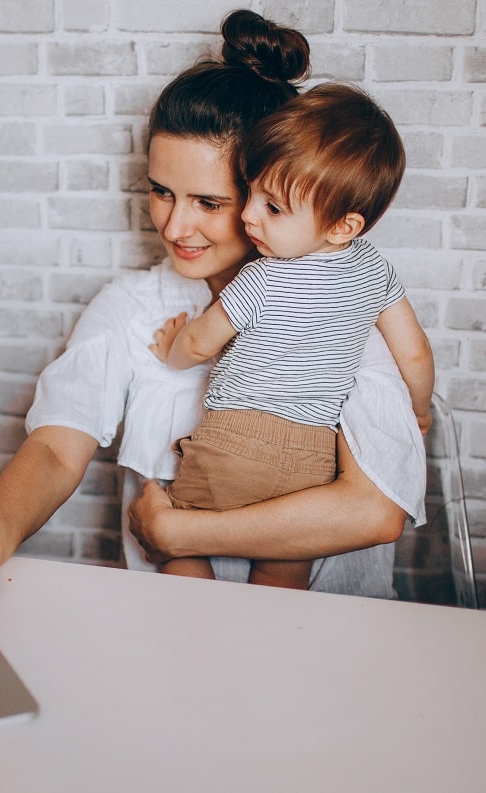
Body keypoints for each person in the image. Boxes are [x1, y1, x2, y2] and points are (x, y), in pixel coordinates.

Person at [0, 9, 427, 624]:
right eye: (161, 190)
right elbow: (58, 447)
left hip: (332, 644)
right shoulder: (134, 306)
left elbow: (375, 511)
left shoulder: (337, 315)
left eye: (208, 202)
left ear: (273, 194)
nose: (173, 225)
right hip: (171, 644)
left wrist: (180, 536)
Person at [150, 82, 434, 589]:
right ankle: (267, 654)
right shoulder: (375, 272)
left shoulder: (261, 278)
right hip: (311, 459)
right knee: (284, 570)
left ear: (344, 226)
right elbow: (413, 352)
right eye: (252, 193)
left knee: (176, 541)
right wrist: (419, 409)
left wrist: (170, 349)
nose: (248, 214)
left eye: (273, 208)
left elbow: (198, 344)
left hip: (231, 443)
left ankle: (189, 626)